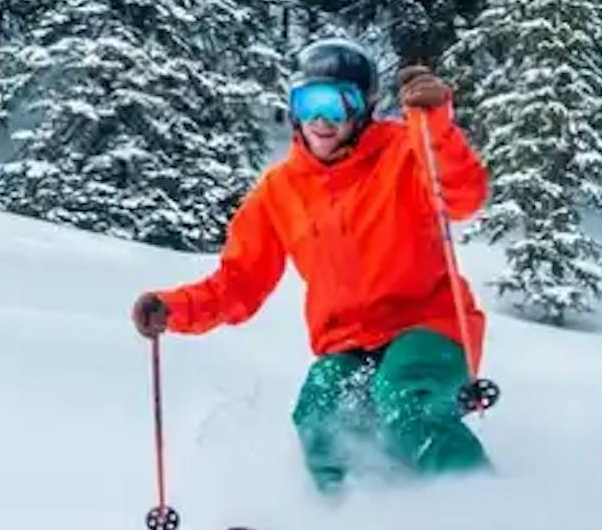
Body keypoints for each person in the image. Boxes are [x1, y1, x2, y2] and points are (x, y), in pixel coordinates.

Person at [133, 41, 493, 494]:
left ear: (362, 109)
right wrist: (175, 309)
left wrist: (434, 123)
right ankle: (346, 521)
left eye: (338, 105)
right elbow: (239, 282)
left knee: (403, 398)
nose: (322, 121)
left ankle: (481, 503)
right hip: (347, 341)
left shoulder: (406, 151)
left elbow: (463, 195)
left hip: (428, 325)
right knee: (318, 413)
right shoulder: (280, 190)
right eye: (309, 103)